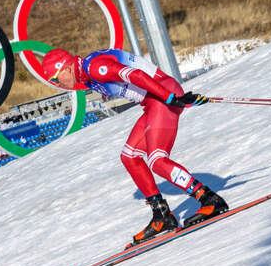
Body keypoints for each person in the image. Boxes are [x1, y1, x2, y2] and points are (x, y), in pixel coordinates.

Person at [42, 48, 228, 248]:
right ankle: (161, 215)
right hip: (153, 101)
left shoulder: (94, 68)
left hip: (162, 94)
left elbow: (136, 75)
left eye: (55, 79)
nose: (58, 85)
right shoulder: (84, 75)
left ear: (66, 68)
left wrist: (170, 98)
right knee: (129, 156)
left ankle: (209, 198)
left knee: (157, 161)